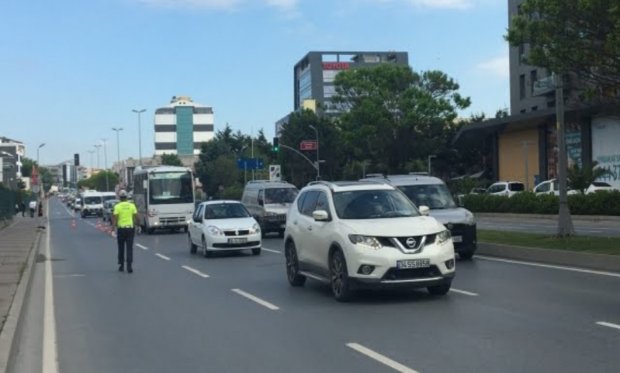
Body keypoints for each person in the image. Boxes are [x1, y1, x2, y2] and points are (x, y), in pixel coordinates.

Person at [111, 190, 139, 273]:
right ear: (126, 197)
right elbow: (137, 217)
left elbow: (115, 218)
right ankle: (129, 266)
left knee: (121, 247)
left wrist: (113, 229)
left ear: (120, 198)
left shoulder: (117, 206)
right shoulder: (132, 205)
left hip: (121, 229)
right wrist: (139, 225)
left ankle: (121, 265)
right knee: (129, 247)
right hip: (130, 229)